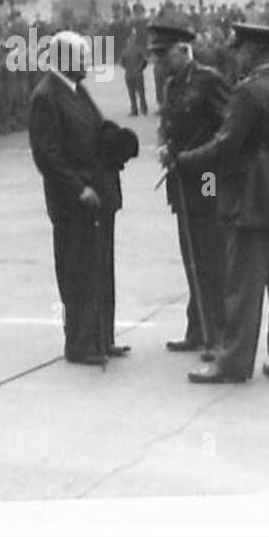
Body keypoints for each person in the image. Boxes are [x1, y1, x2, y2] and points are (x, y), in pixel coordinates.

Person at [175, 23, 269, 384]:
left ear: (251, 52)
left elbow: (226, 144)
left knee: (243, 286)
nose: (236, 55)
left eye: (240, 50)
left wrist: (186, 160)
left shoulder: (248, 92)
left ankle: (233, 363)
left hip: (255, 193)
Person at [28, 31, 125, 364]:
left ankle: (101, 338)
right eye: (81, 58)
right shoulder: (47, 96)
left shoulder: (76, 90)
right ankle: (80, 344)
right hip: (73, 203)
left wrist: (114, 140)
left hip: (97, 197)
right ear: (63, 59)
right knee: (77, 275)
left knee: (99, 269)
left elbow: (93, 131)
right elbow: (47, 155)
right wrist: (77, 188)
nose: (87, 64)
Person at [149, 23, 230, 359]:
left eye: (164, 54)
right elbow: (168, 124)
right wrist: (165, 145)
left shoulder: (208, 80)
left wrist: (201, 159)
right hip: (181, 180)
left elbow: (227, 128)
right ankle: (198, 329)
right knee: (193, 257)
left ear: (183, 49)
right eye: (157, 56)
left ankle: (220, 334)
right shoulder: (172, 85)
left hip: (208, 177)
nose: (160, 62)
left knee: (211, 255)